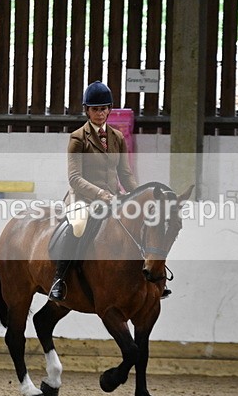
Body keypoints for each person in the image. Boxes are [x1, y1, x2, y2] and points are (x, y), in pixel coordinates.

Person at [48, 81, 172, 302]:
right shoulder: (78, 138)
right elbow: (75, 178)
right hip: (83, 198)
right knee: (77, 225)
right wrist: (102, 195)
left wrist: (139, 196)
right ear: (87, 110)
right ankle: (60, 279)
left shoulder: (117, 137)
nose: (100, 113)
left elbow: (125, 174)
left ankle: (154, 278)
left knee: (145, 223)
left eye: (104, 108)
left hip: (114, 198)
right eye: (95, 109)